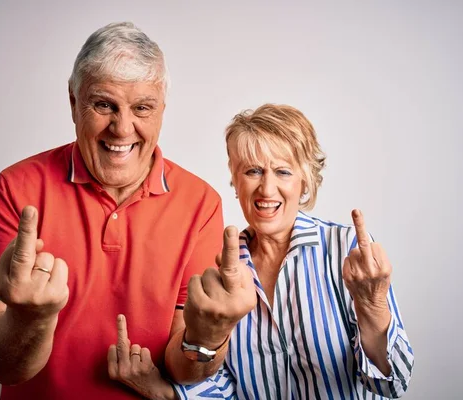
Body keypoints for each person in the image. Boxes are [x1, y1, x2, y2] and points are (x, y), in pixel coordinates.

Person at [0, 22, 253, 400]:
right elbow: (5, 367)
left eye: (142, 107)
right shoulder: (17, 188)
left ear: (161, 111)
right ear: (74, 103)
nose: (122, 129)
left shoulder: (201, 204)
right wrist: (31, 318)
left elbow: (181, 370)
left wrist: (208, 337)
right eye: (104, 104)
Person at [115, 104, 414, 399]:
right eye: (253, 171)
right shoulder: (221, 269)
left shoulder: (344, 250)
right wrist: (166, 393)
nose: (267, 189)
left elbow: (394, 384)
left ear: (305, 180)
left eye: (283, 172)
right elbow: (223, 388)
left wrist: (373, 307)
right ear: (235, 180)